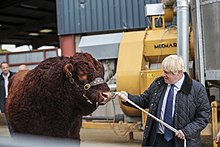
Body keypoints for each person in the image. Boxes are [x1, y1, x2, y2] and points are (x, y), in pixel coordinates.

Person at [117, 55, 210, 147]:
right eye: (163, 71)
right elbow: (144, 100)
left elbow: (203, 117)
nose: (163, 75)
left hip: (182, 141)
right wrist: (128, 98)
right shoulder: (158, 83)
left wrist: (187, 131)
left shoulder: (197, 89)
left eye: (167, 72)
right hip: (157, 140)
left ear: (179, 72)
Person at [0, 62, 15, 136]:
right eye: (3, 68)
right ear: (1, 69)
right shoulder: (0, 79)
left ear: (9, 67)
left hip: (14, 100)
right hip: (5, 102)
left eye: (6, 67)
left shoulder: (14, 76)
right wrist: (1, 107)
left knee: (16, 119)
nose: (5, 69)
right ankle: (13, 138)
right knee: (8, 121)